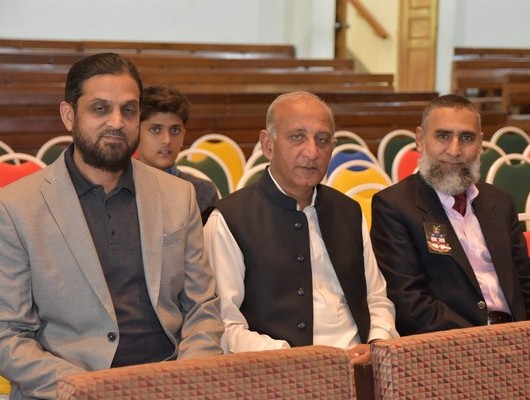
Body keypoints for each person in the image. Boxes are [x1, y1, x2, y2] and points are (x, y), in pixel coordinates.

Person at [0, 53, 223, 400]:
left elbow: (201, 309)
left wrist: (185, 380)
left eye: (129, 110)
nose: (117, 122)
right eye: (100, 109)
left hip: (168, 382)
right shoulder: (16, 206)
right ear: (69, 115)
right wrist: (86, 389)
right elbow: (8, 335)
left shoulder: (179, 195)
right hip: (68, 389)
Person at [203, 91, 398, 364]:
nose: (312, 152)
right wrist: (291, 358)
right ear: (268, 144)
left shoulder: (349, 211)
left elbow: (376, 299)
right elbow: (223, 324)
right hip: (279, 370)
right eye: (297, 137)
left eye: (322, 140)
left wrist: (377, 342)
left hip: (360, 362)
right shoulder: (229, 220)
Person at [370, 94, 530, 336]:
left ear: (480, 144)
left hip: (518, 335)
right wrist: (483, 340)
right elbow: (409, 304)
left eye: (467, 138)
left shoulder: (500, 202)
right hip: (451, 343)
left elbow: (529, 283)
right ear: (420, 140)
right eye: (443, 136)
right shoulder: (395, 206)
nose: (455, 150)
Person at [137, 85, 219, 213]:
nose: (167, 140)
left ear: (183, 136)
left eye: (175, 130)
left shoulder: (203, 192)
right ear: (136, 133)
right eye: (155, 129)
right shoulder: (118, 188)